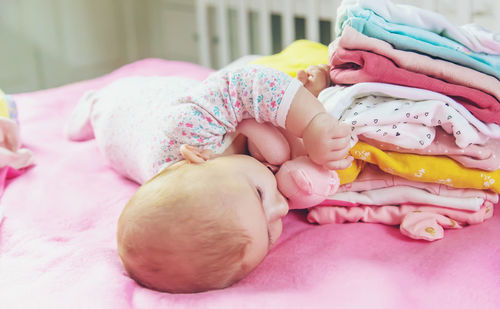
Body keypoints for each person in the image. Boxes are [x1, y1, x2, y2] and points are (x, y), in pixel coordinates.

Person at [65, 64, 351, 293]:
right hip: (133, 145)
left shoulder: (189, 130)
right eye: (268, 233)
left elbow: (248, 84)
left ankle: (92, 103)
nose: (282, 209)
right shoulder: (223, 186)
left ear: (201, 157)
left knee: (110, 101)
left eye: (261, 195)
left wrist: (312, 121)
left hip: (132, 105)